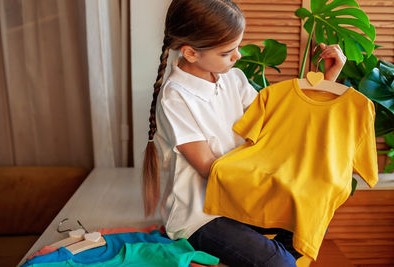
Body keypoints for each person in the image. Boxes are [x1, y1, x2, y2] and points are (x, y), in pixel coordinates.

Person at [142, 0, 346, 266]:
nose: (238, 56)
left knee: (316, 217)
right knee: (280, 262)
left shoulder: (232, 79)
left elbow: (278, 121)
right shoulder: (176, 98)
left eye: (237, 46)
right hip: (202, 217)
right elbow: (209, 168)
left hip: (240, 203)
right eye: (228, 52)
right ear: (191, 53)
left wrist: (328, 80)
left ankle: (270, 256)